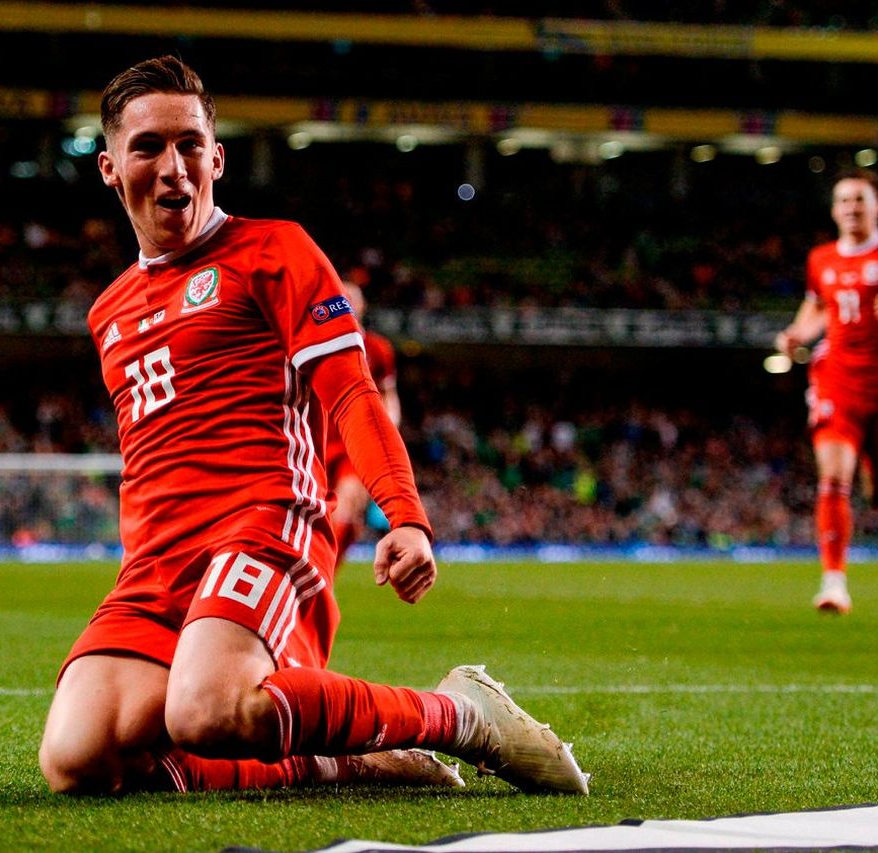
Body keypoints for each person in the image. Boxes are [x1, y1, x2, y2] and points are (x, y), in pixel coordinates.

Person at [37, 56, 588, 797]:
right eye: (149, 147)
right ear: (109, 167)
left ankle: (458, 713)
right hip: (157, 562)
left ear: (217, 158)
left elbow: (352, 394)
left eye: (190, 145)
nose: (174, 167)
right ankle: (354, 760)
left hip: (262, 523)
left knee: (204, 709)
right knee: (79, 758)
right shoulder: (108, 311)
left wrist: (405, 515)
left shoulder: (274, 251)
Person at [776, 169, 878, 615]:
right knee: (833, 478)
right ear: (834, 210)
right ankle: (834, 582)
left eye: (859, 199)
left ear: (875, 205)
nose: (851, 208)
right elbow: (818, 305)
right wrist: (797, 333)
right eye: (844, 201)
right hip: (839, 378)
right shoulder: (822, 259)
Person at [322, 281, 401, 568]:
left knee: (348, 505)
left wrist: (388, 427)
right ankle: (317, 569)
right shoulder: (317, 343)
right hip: (316, 441)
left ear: (362, 306)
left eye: (352, 299)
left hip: (354, 442)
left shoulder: (378, 349)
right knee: (333, 516)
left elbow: (389, 394)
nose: (348, 304)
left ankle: (323, 577)